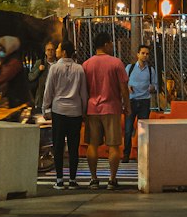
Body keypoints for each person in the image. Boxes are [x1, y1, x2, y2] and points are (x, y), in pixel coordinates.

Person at [82, 30, 130, 189]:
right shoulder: (116, 63)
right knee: (114, 145)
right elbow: (124, 88)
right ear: (105, 44)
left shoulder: (86, 64)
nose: (112, 46)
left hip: (92, 109)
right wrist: (126, 106)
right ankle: (112, 179)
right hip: (112, 108)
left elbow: (84, 89)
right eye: (110, 43)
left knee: (92, 144)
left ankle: (94, 178)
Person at [42, 38, 87, 189]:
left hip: (59, 110)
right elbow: (83, 93)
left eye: (59, 49)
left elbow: (49, 90)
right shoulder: (79, 69)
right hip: (75, 111)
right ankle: (73, 180)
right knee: (74, 147)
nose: (56, 51)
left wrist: (45, 108)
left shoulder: (54, 68)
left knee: (58, 145)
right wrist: (84, 111)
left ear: (64, 52)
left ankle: (59, 179)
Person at [0, 35, 34, 116]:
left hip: (20, 104)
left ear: (9, 47)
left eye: (2, 48)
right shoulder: (6, 61)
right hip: (10, 100)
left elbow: (1, 78)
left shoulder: (14, 63)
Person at [123, 43, 158, 161]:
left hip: (144, 102)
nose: (145, 56)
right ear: (138, 54)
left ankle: (142, 154)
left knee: (143, 131)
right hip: (131, 101)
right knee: (128, 129)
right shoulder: (130, 68)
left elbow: (155, 85)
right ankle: (126, 154)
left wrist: (152, 88)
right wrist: (127, 87)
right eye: (142, 53)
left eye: (147, 54)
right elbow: (123, 82)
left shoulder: (150, 70)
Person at [30, 40, 57, 115]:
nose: (50, 52)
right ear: (45, 52)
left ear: (55, 51)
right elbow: (30, 77)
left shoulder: (58, 64)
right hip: (41, 98)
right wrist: (38, 70)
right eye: (48, 50)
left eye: (52, 50)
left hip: (55, 98)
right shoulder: (40, 63)